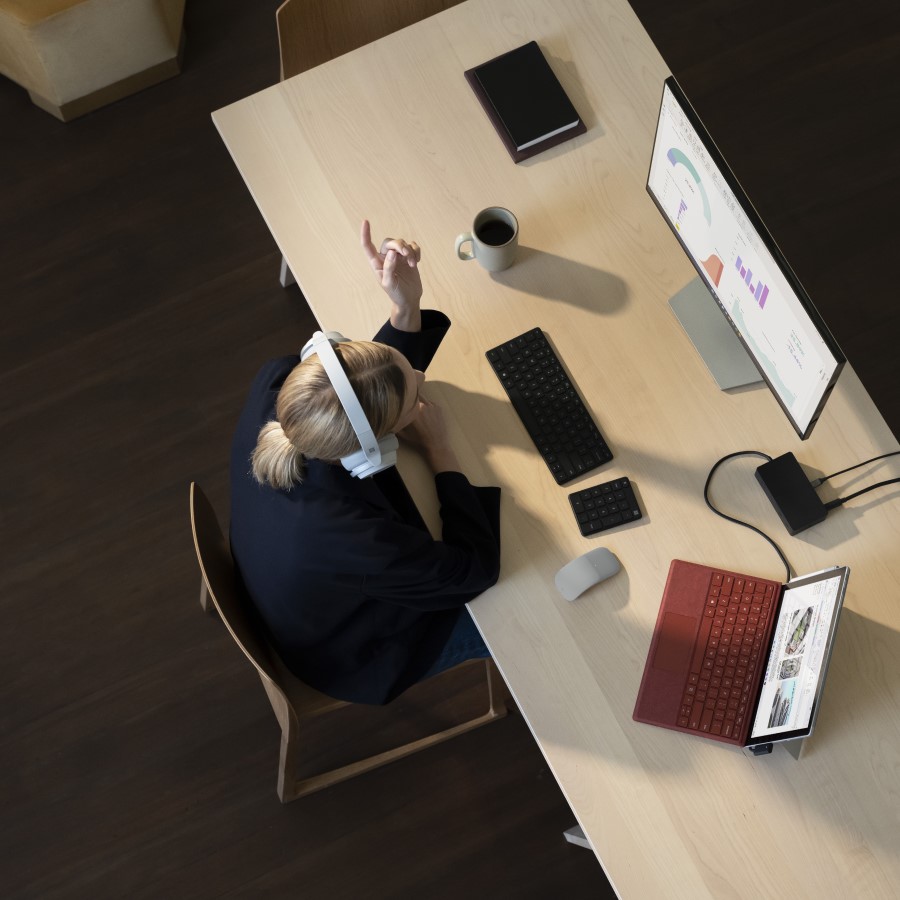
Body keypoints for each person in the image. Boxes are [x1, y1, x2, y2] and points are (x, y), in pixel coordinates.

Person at [229, 220, 501, 705]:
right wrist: (441, 453)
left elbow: (362, 390)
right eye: (412, 394)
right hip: (352, 653)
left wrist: (405, 307)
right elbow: (473, 571)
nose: (420, 373)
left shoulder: (280, 383)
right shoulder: (348, 534)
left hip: (288, 584)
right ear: (371, 449)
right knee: (520, 614)